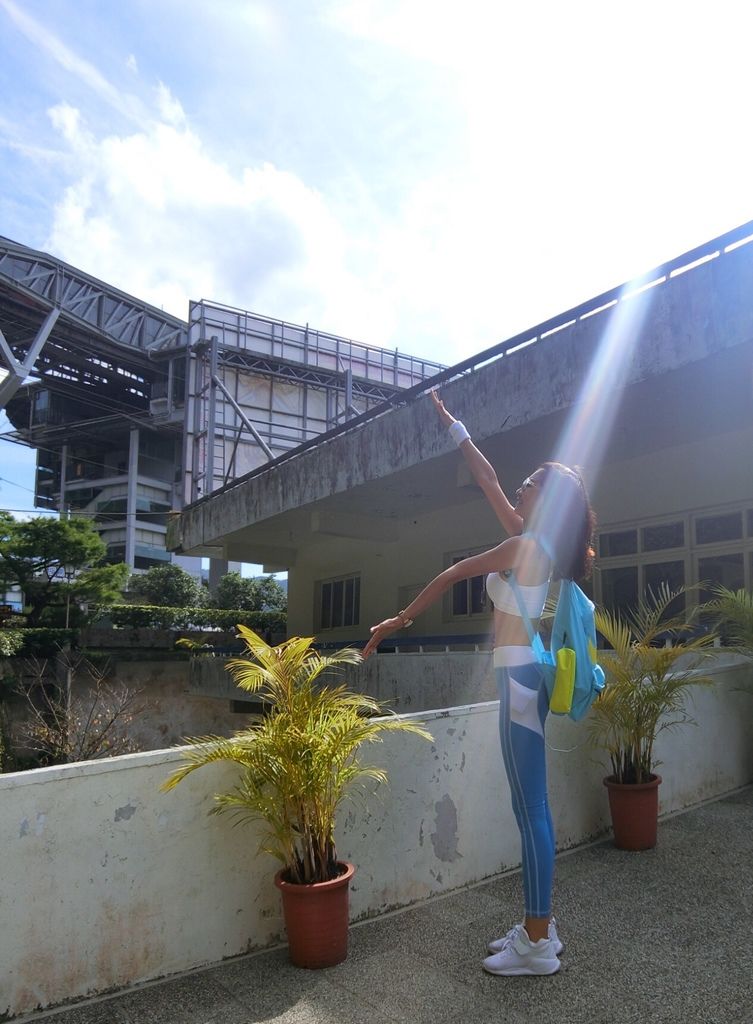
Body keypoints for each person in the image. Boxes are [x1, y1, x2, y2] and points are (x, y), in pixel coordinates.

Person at [363, 390, 596, 977]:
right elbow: (489, 479)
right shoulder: (534, 541)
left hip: (519, 679)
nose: (519, 487)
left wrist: (399, 619)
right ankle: (540, 925)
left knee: (531, 808)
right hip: (526, 674)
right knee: (528, 805)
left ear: (548, 499)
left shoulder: (523, 546)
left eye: (530, 483)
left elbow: (452, 571)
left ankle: (538, 941)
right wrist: (454, 427)